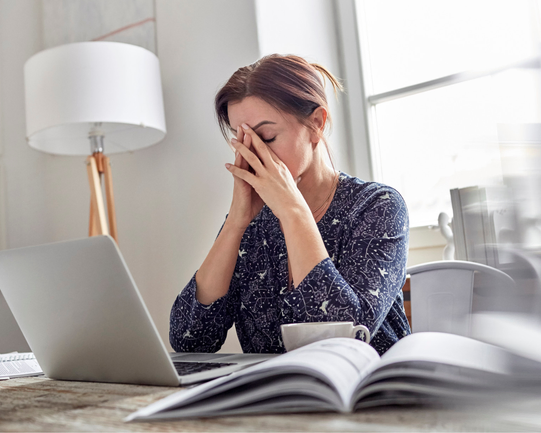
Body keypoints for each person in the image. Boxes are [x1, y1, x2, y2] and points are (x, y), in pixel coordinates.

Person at [170, 54, 410, 355]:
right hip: (275, 397)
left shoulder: (378, 207)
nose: (253, 154)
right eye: (241, 140)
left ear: (316, 124)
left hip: (367, 395)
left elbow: (342, 338)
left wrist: (293, 212)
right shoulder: (251, 223)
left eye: (266, 137)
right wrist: (235, 223)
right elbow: (189, 340)